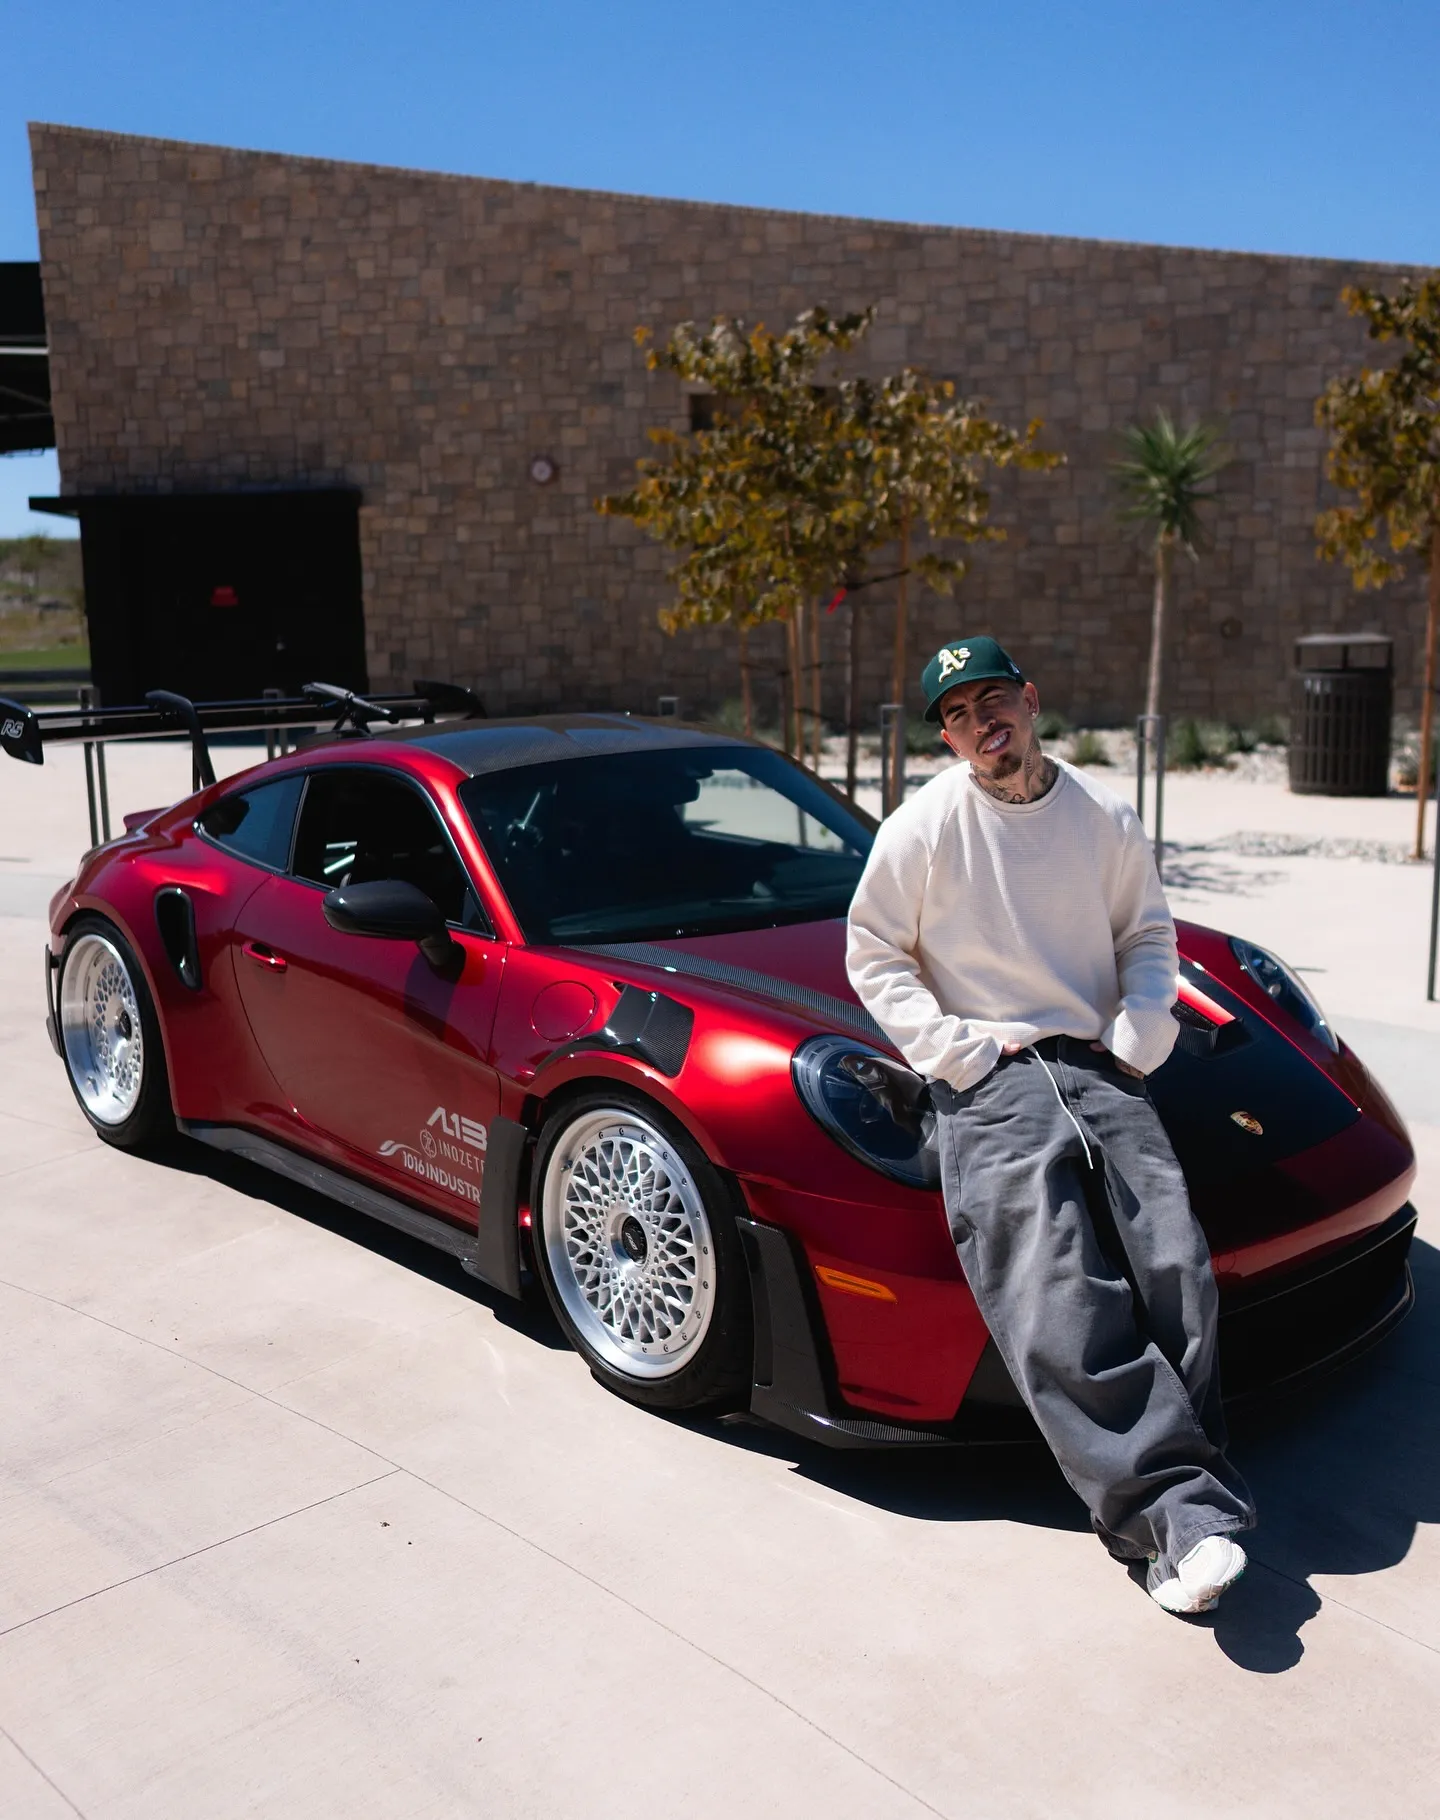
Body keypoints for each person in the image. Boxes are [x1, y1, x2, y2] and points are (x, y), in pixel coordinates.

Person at [846, 636, 1255, 1616]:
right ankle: (1182, 1516)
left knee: (1175, 1270)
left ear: (1030, 700)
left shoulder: (1103, 816)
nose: (979, 724)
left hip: (1097, 1066)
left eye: (993, 700)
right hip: (990, 1085)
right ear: (946, 735)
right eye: (955, 714)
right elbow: (873, 951)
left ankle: (1163, 1516)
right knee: (1059, 1290)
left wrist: (1138, 1035)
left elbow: (1145, 934)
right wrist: (957, 1054)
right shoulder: (923, 827)